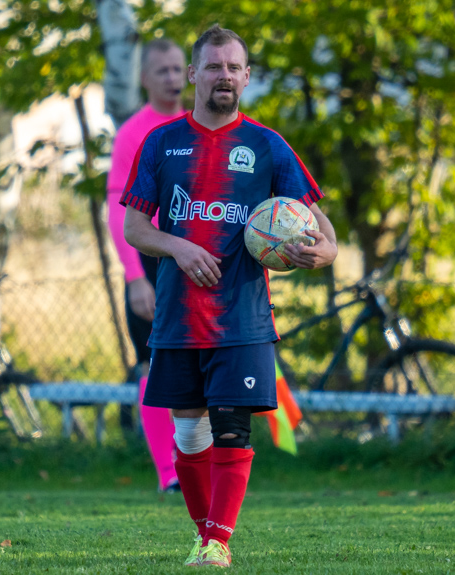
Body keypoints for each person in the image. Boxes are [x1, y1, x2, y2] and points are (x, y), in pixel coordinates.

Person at [121, 24, 337, 568]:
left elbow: (322, 229)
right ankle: (203, 534)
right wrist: (181, 248)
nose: (224, 76)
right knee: (189, 431)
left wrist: (324, 253)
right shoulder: (161, 141)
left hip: (242, 315)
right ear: (194, 74)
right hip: (178, 314)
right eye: (213, 66)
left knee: (233, 426)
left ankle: (218, 542)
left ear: (246, 76)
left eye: (233, 67)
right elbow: (134, 228)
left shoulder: (267, 146)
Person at [106, 38, 187, 494]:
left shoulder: (202, 127)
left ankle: (207, 464)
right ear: (144, 78)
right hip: (151, 265)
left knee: (206, 364)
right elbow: (119, 208)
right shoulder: (133, 133)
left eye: (178, 70)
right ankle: (169, 475)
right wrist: (136, 277)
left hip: (198, 259)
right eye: (163, 72)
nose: (173, 79)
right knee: (154, 367)